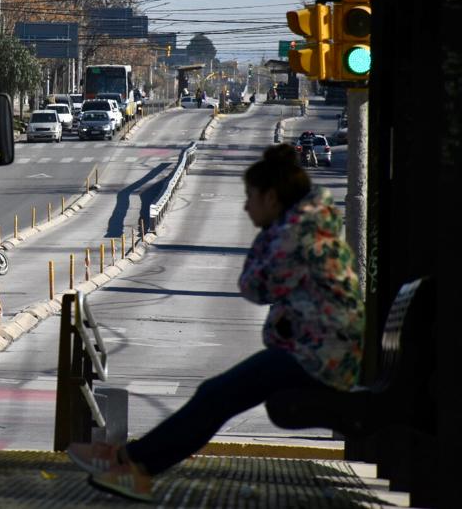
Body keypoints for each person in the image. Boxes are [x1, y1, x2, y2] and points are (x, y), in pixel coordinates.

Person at [67, 144, 364, 501]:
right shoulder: (309, 224)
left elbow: (254, 286)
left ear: (271, 198)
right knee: (216, 396)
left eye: (250, 197)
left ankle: (130, 463)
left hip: (321, 358)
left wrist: (268, 235)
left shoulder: (295, 233)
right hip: (324, 354)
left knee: (215, 395)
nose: (245, 206)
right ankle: (132, 464)